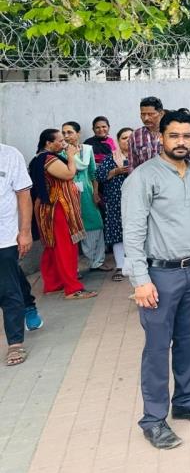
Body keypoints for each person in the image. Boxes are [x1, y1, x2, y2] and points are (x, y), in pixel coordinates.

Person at [122, 110, 190, 449]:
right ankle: (153, 420)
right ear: (161, 138)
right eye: (174, 135)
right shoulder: (143, 177)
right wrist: (140, 280)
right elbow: (133, 232)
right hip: (159, 275)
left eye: (186, 136)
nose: (181, 142)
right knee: (156, 348)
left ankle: (186, 402)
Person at [28, 130, 95, 300]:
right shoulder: (48, 159)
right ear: (48, 143)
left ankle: (53, 284)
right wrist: (71, 155)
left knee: (53, 247)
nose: (64, 144)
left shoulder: (41, 158)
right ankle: (73, 289)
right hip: (57, 209)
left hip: (52, 208)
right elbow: (69, 174)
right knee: (65, 248)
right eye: (60, 141)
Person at [0, 141, 35, 366]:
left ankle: (15, 342)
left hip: (4, 236)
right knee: (12, 279)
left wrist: (25, 231)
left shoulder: (9, 155)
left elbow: (23, 194)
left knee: (7, 289)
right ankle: (29, 303)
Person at [62, 121, 107, 271]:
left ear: (78, 133)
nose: (66, 136)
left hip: (87, 193)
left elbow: (93, 173)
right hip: (68, 194)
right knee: (72, 227)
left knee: (95, 223)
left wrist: (95, 192)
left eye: (70, 132)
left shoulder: (87, 150)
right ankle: (73, 268)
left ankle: (97, 262)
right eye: (64, 133)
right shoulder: (61, 152)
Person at [96, 127, 133, 282]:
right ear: (118, 141)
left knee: (138, 231)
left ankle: (138, 265)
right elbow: (99, 175)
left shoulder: (140, 156)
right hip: (115, 201)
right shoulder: (110, 158)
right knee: (117, 233)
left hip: (136, 201)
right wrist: (116, 171)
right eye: (124, 138)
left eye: (130, 137)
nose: (127, 140)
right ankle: (120, 266)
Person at [128, 96, 164, 171]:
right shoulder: (135, 136)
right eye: (143, 114)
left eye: (150, 114)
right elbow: (132, 165)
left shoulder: (171, 133)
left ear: (161, 113)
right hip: (144, 177)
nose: (146, 118)